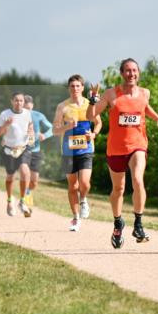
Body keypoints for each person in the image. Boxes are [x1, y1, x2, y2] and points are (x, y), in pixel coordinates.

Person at [87, 58, 158, 248]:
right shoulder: (111, 94)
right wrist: (92, 100)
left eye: (135, 70)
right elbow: (90, 116)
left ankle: (138, 224)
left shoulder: (145, 93)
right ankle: (118, 222)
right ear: (122, 74)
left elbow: (144, 108)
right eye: (128, 71)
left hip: (138, 145)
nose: (132, 74)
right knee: (118, 189)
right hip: (115, 149)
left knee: (138, 179)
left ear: (139, 73)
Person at [54, 75, 101, 232]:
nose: (75, 89)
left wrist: (93, 134)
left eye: (78, 86)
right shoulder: (62, 107)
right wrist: (67, 127)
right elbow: (55, 130)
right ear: (69, 88)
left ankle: (84, 200)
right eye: (72, 86)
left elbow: (99, 123)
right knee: (72, 186)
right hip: (68, 151)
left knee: (85, 183)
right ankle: (75, 218)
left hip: (86, 149)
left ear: (82, 87)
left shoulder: (89, 104)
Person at [0, 91, 35, 217]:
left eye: (21, 100)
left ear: (24, 102)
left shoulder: (27, 113)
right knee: (10, 177)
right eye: (16, 100)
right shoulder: (4, 114)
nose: (19, 103)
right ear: (12, 101)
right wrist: (5, 125)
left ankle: (22, 201)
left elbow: (30, 126)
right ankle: (10, 200)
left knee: (25, 171)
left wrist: (31, 131)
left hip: (24, 148)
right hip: (9, 149)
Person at [22, 94, 53, 208]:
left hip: (36, 151)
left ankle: (28, 192)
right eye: (25, 110)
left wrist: (44, 135)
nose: (27, 113)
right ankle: (23, 198)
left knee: (34, 181)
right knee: (25, 174)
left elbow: (52, 128)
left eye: (29, 109)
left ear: (32, 106)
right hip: (23, 150)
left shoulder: (38, 116)